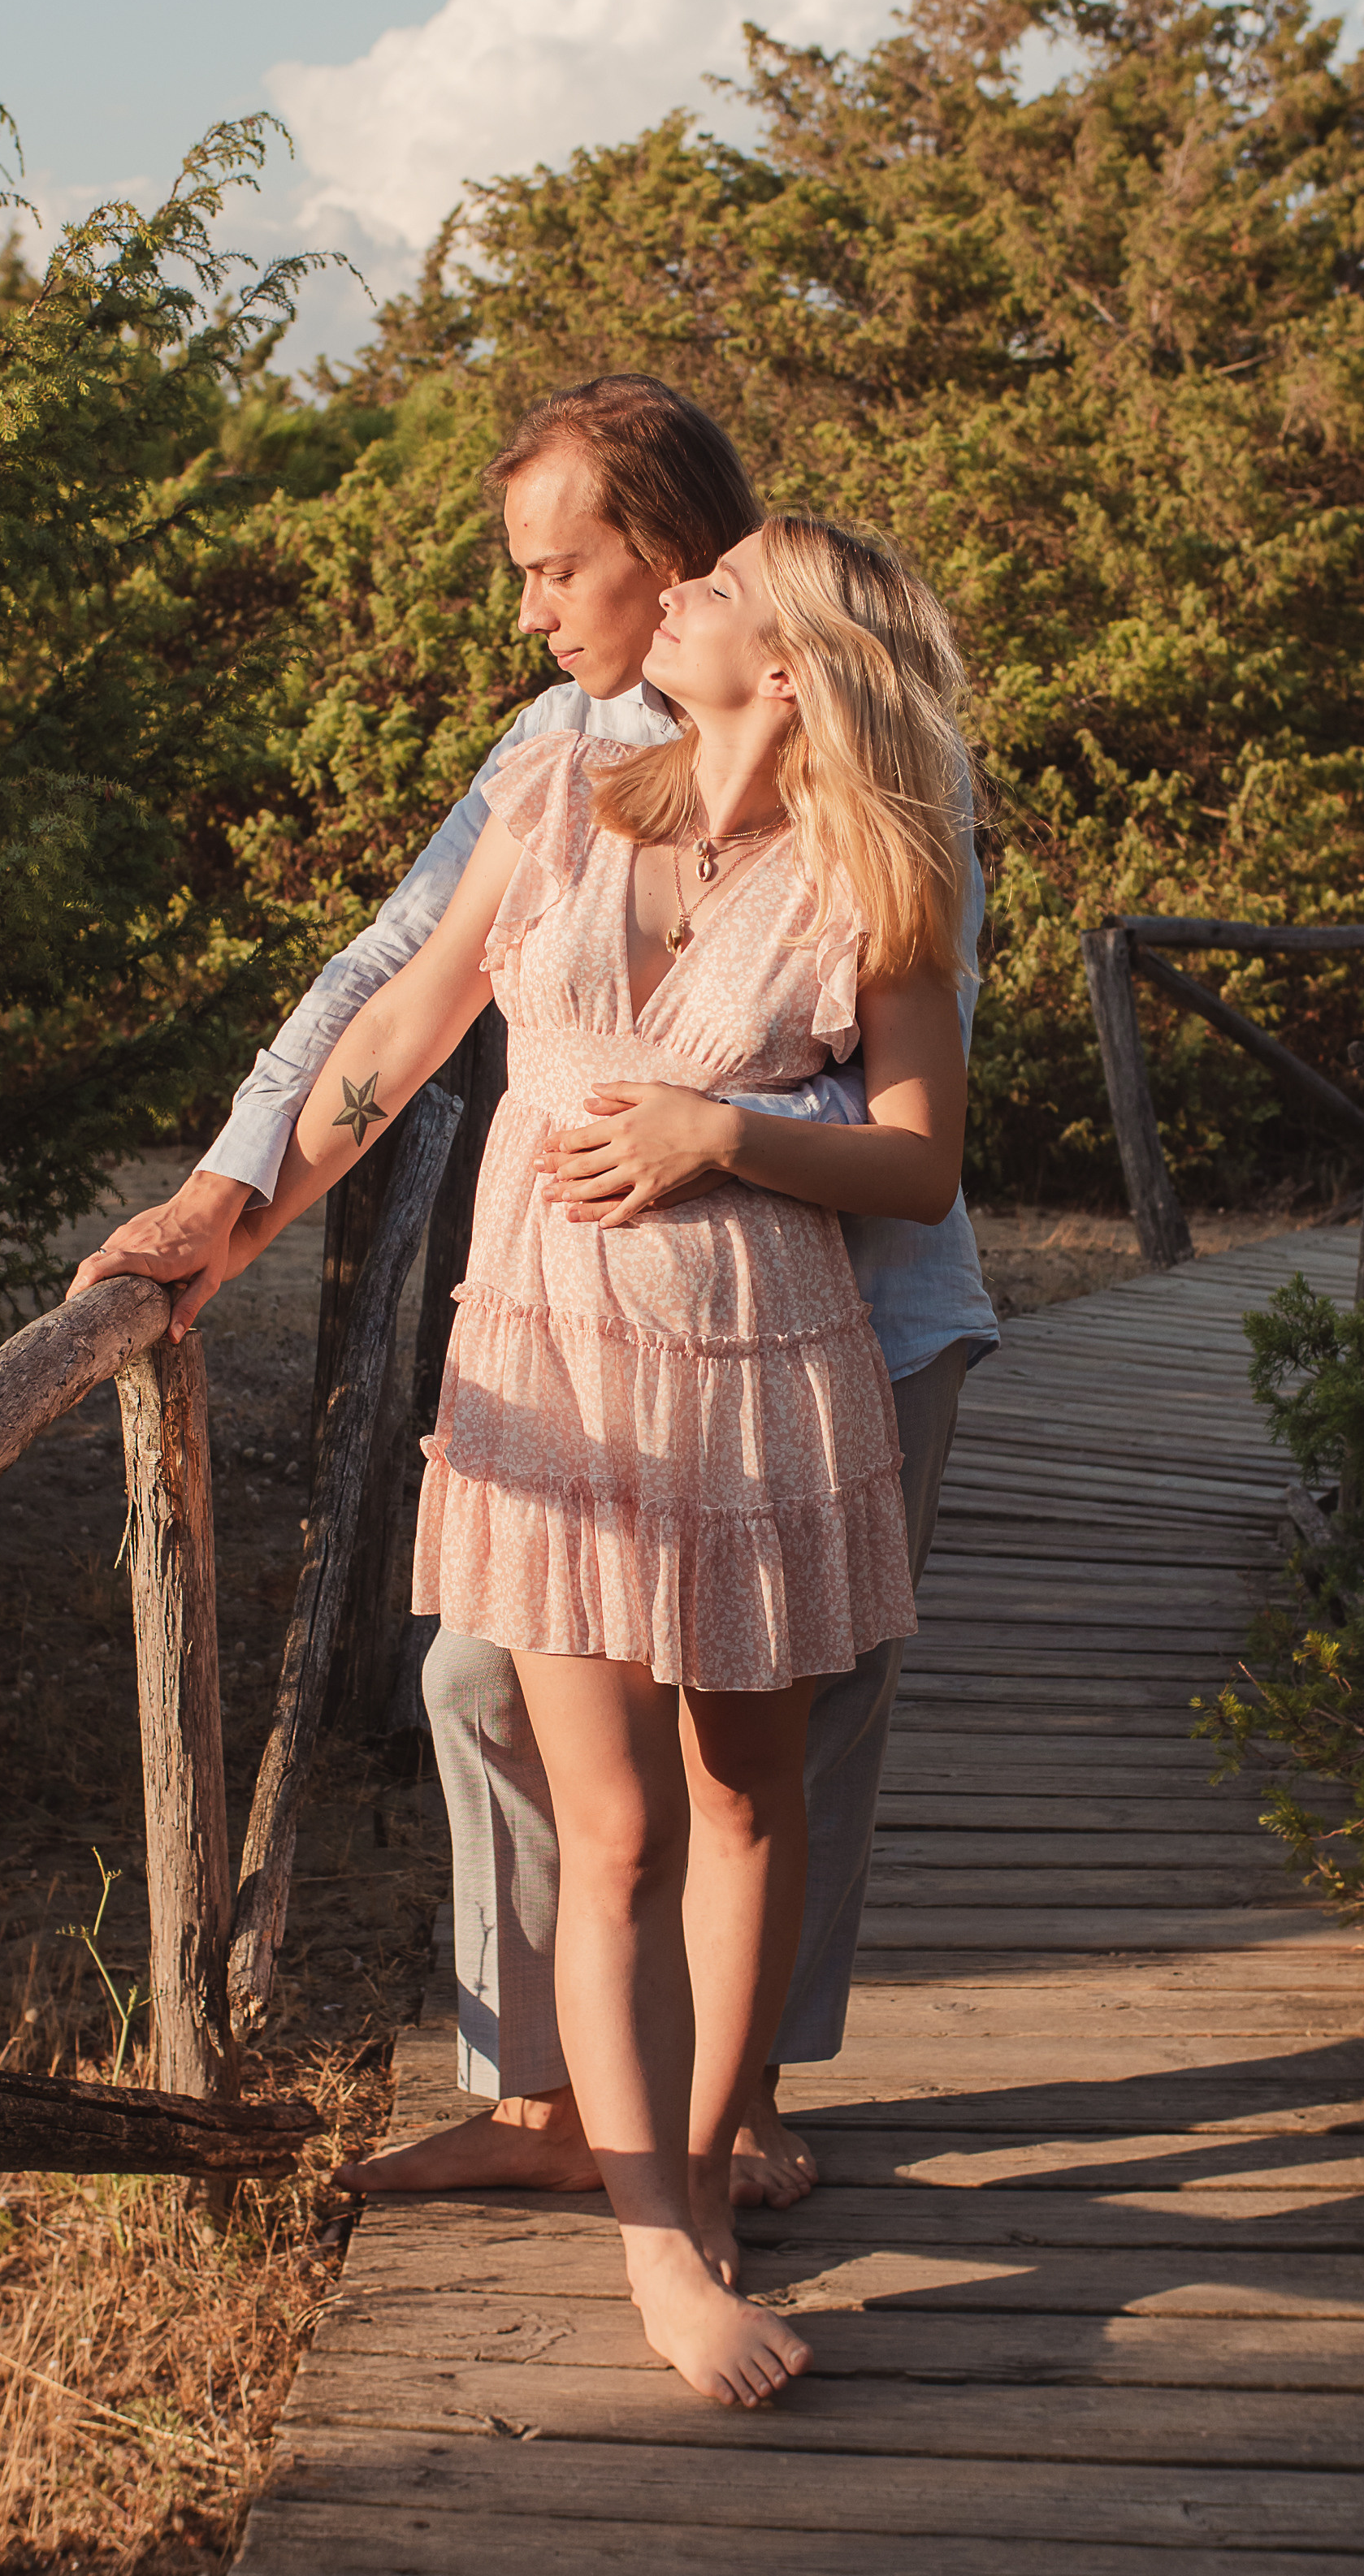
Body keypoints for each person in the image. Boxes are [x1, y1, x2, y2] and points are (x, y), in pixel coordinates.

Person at [68, 378, 996, 2206]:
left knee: (791, 1728)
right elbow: (402, 986)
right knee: (486, 1676)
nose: (532, 605)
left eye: (558, 565)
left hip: (843, 1326)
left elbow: (891, 1085)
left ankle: (732, 2112)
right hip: (576, 1337)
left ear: (672, 560)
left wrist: (702, 1131)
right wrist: (228, 1204)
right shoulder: (558, 755)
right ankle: (546, 2096)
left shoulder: (880, 763)